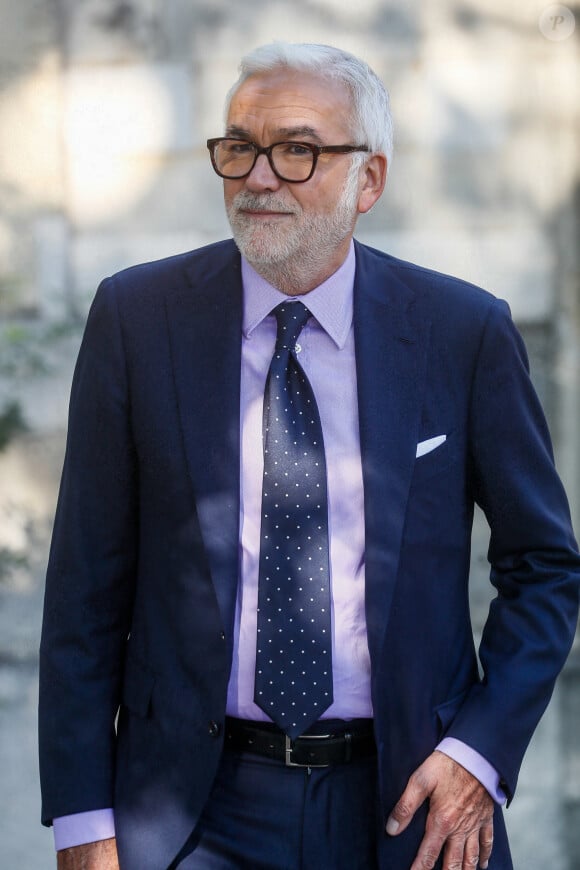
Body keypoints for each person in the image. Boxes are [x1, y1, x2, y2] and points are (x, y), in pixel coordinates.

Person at [39, 41, 580, 870]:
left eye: (298, 150)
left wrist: (476, 754)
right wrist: (82, 819)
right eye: (240, 147)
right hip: (189, 812)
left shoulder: (461, 331)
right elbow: (84, 592)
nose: (259, 177)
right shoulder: (137, 319)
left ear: (369, 180)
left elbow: (545, 566)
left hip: (408, 804)